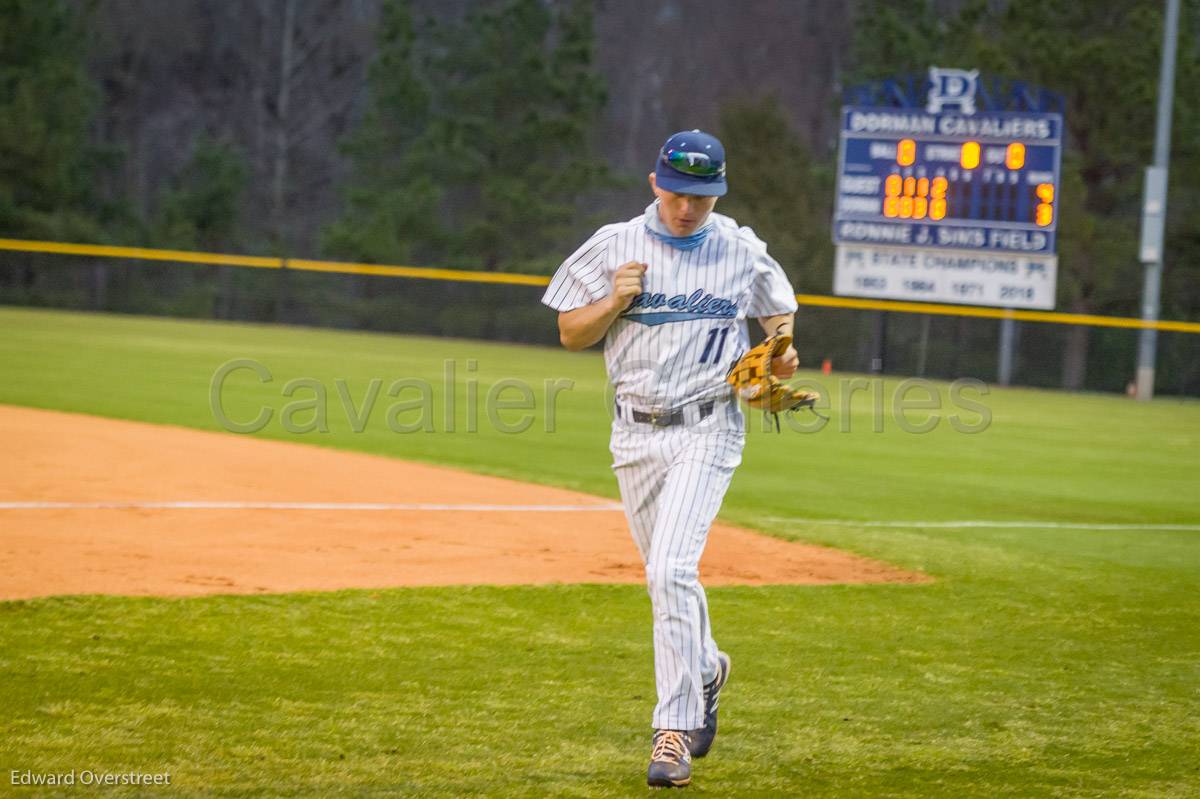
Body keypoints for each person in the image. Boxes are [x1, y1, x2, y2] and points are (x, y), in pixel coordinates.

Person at [541, 129, 799, 788]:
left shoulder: (739, 248)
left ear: (718, 194)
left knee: (669, 567)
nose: (689, 208)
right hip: (634, 435)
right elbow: (571, 331)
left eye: (702, 197)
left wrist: (780, 355)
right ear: (656, 182)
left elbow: (780, 315)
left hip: (709, 428)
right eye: (679, 193)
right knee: (667, 575)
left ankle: (672, 732)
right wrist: (614, 300)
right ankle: (707, 667)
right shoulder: (614, 245)